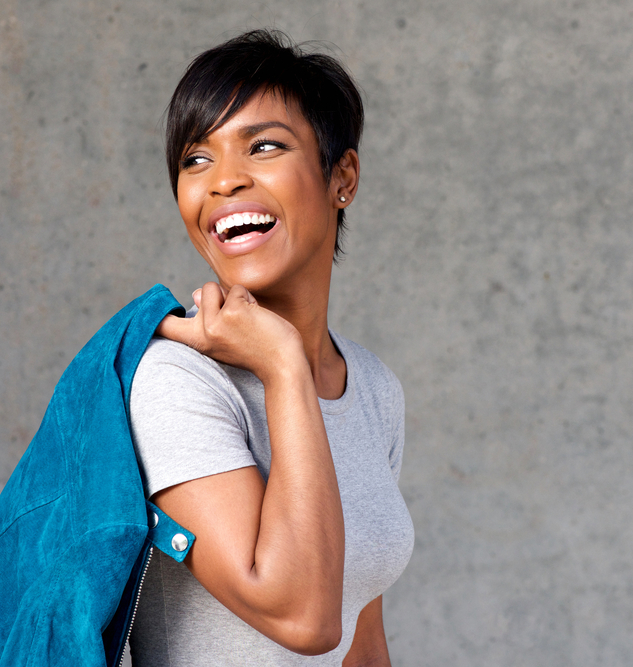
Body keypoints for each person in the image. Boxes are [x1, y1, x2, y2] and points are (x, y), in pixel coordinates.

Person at [126, 30, 414, 665]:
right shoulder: (176, 381)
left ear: (342, 176)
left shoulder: (370, 388)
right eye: (196, 160)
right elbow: (302, 616)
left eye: (264, 147)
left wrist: (292, 364)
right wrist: (283, 364)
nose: (224, 180)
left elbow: (360, 641)